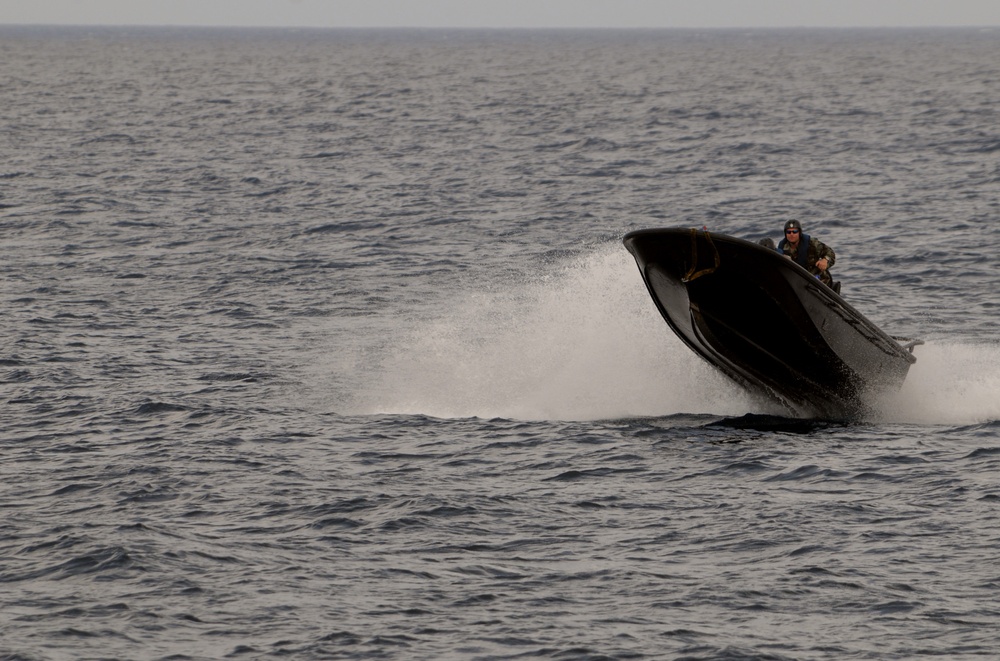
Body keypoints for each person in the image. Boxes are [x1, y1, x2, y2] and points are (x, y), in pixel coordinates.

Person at [778, 219, 838, 290]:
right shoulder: (782, 246)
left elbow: (830, 253)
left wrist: (825, 260)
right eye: (789, 232)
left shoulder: (811, 243)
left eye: (794, 232)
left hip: (817, 279)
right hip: (795, 280)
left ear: (799, 233)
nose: (791, 234)